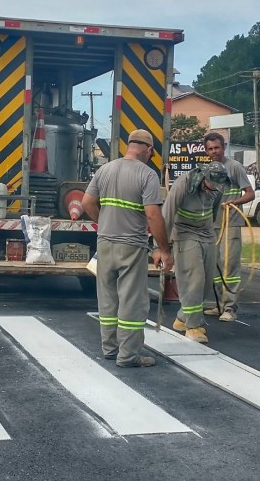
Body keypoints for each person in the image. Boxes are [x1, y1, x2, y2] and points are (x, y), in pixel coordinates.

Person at [82, 129, 173, 368]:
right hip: (131, 246)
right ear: (149, 150)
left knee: (108, 300)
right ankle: (128, 356)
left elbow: (87, 202)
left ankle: (110, 349)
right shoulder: (147, 175)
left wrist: (104, 223)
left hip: (104, 243)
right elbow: (153, 216)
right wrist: (164, 249)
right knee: (132, 302)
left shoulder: (106, 169)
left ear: (129, 146)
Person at [162, 162, 229, 343]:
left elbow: (214, 212)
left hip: (206, 233)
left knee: (207, 280)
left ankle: (183, 318)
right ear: (204, 178)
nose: (214, 189)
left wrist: (209, 234)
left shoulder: (218, 187)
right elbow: (167, 214)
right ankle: (193, 327)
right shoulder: (184, 184)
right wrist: (161, 247)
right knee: (194, 278)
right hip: (184, 232)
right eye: (211, 185)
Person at [203, 132, 254, 322]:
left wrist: (235, 201)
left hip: (231, 223)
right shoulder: (208, 169)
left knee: (229, 265)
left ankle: (230, 308)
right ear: (206, 151)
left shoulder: (234, 167)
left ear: (223, 147)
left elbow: (250, 194)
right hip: (212, 224)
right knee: (215, 266)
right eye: (210, 149)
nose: (214, 151)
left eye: (216, 147)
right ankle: (219, 305)